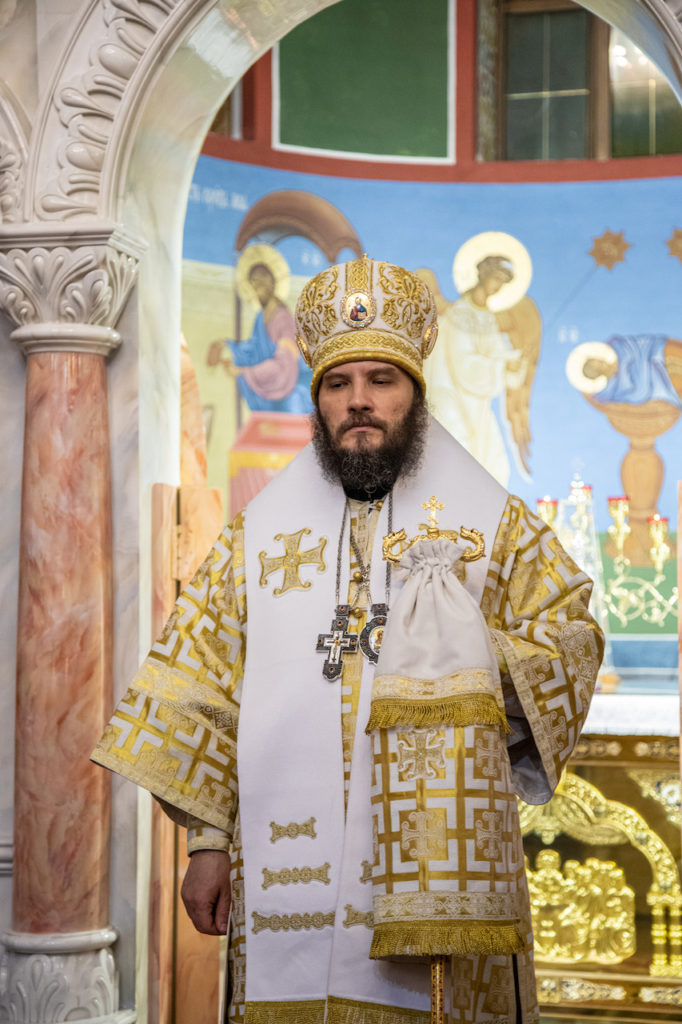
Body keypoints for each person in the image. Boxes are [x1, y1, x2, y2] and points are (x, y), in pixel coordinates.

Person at [93, 255, 603, 1024]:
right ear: (319, 399)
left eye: (380, 380)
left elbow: (572, 636)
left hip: (434, 870)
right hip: (280, 875)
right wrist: (207, 844)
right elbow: (199, 688)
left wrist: (463, 663)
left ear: (414, 394)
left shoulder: (491, 524)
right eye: (338, 384)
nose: (359, 400)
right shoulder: (258, 537)